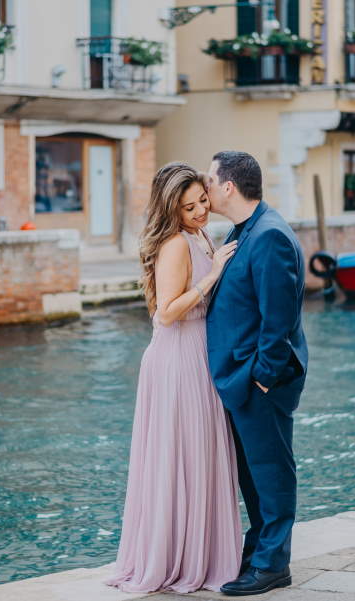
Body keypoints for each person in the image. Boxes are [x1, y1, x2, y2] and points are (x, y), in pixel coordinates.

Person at [104, 162, 242, 594]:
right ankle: (175, 558)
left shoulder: (200, 234)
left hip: (198, 355)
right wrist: (214, 276)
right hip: (177, 359)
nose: (201, 211)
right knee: (179, 458)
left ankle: (200, 551)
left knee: (198, 456)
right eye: (190, 207)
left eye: (203, 200)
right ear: (172, 210)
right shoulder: (174, 245)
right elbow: (166, 311)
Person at [205, 151, 308, 596]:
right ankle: (258, 553)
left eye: (210, 178)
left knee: (271, 473)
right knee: (252, 475)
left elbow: (277, 320)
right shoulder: (244, 230)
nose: (204, 186)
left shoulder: (269, 236)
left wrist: (262, 376)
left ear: (229, 186)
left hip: (260, 382)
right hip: (241, 380)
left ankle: (272, 566)